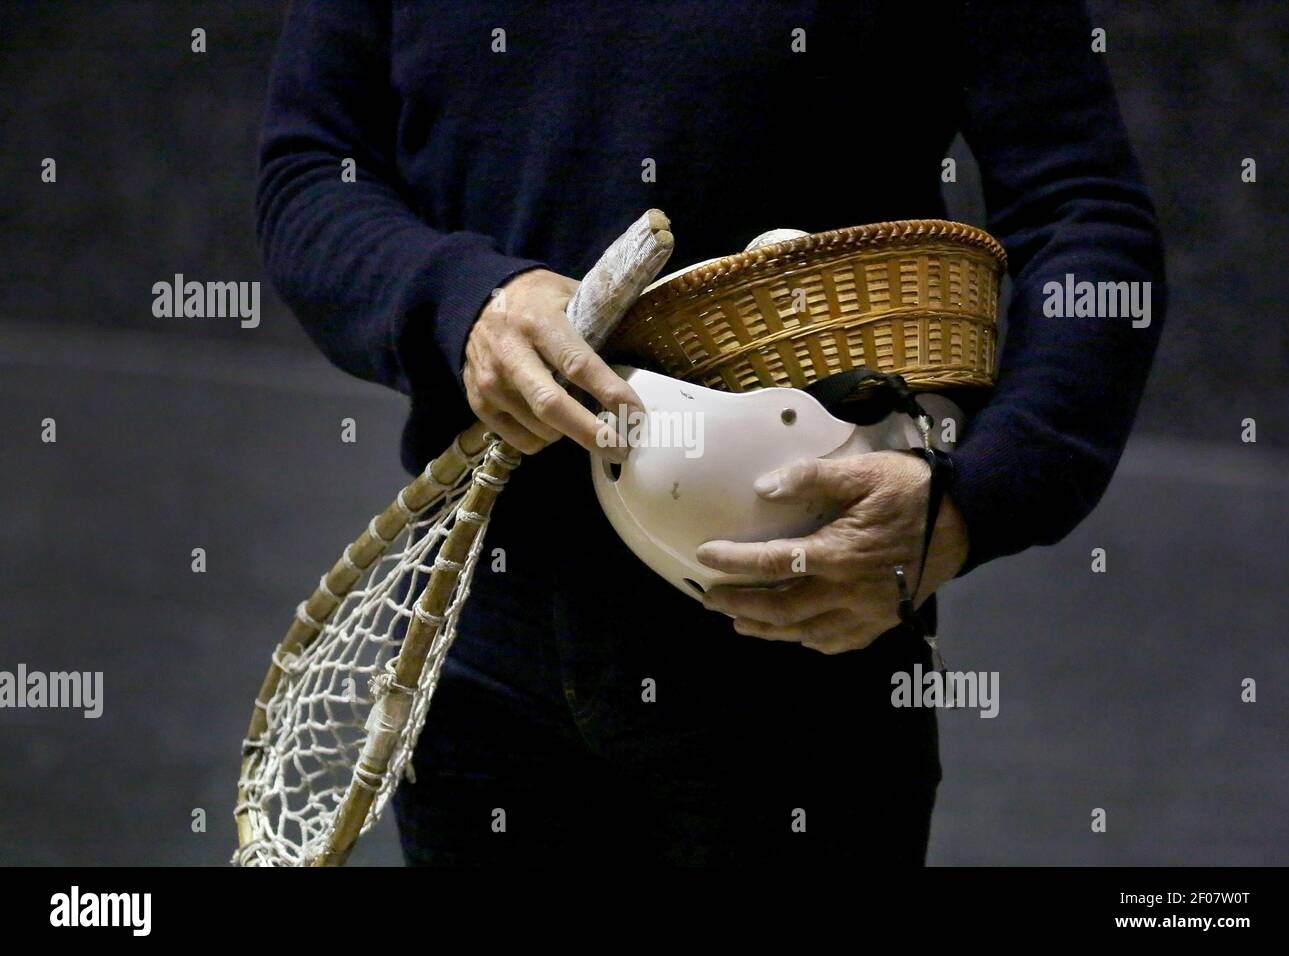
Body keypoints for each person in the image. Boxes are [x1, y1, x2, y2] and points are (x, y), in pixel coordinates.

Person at [256, 1, 1165, 865]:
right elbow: (312, 174)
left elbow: (1082, 213)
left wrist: (979, 498)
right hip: (475, 646)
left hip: (803, 657)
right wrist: (465, 303)